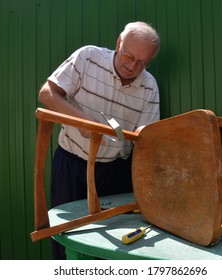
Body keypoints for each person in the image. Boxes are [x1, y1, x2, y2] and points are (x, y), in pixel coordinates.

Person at [38, 21, 161, 259]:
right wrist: (84, 123)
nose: (132, 66)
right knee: (66, 237)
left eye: (141, 63)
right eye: (128, 56)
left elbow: (145, 134)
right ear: (118, 43)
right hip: (72, 165)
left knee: (112, 245)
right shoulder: (88, 57)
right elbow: (47, 93)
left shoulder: (150, 85)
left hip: (115, 172)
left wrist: (145, 136)